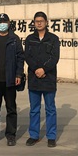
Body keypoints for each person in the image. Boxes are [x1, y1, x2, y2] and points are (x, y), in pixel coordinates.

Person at [0, 13, 24, 146]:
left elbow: (20, 58)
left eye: (4, 22)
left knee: (11, 109)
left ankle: (11, 135)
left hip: (10, 80)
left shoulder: (14, 39)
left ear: (8, 23)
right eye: (0, 22)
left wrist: (18, 75)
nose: (2, 24)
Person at [24, 11, 60, 148]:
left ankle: (51, 136)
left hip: (48, 78)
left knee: (50, 109)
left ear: (46, 22)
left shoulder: (53, 39)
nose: (39, 23)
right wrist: (37, 70)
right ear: (34, 23)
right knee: (34, 109)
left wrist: (44, 69)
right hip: (34, 78)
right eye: (36, 21)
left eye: (41, 21)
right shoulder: (30, 39)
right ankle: (34, 135)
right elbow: (27, 56)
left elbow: (54, 57)